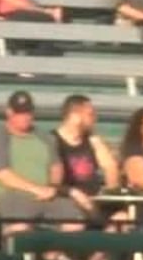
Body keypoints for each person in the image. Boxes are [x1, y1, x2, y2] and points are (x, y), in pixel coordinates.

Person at [0, 90, 85, 237]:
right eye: (20, 113)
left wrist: (52, 187)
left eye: (28, 112)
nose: (25, 117)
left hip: (45, 195)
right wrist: (36, 189)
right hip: (12, 195)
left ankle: (53, 256)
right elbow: (2, 174)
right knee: (19, 225)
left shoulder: (45, 137)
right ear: (9, 112)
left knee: (74, 220)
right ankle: (20, 257)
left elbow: (56, 166)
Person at [53, 94, 126, 228]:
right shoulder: (53, 141)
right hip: (67, 200)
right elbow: (51, 182)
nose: (94, 119)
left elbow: (111, 169)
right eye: (90, 114)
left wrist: (110, 192)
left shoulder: (92, 141)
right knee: (75, 222)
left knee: (122, 219)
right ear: (75, 116)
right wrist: (74, 193)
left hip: (94, 200)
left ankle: (103, 249)